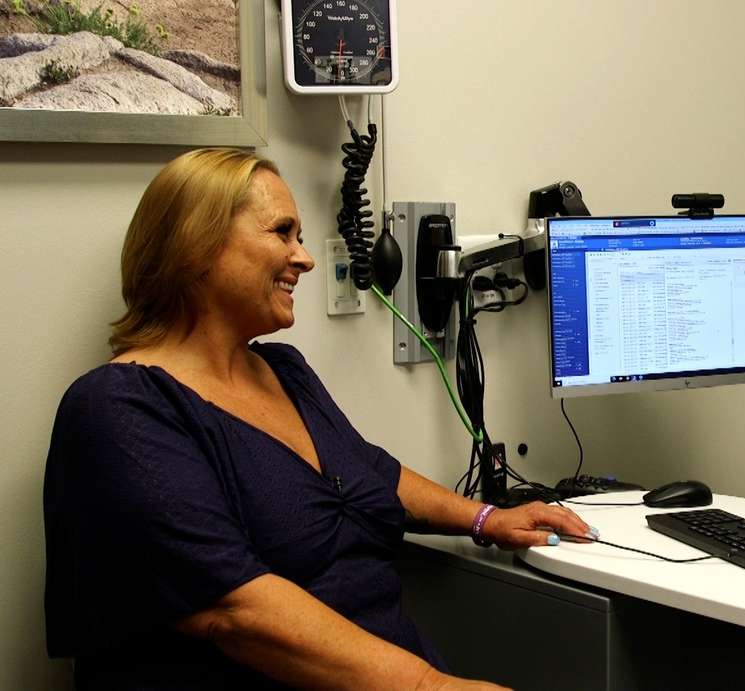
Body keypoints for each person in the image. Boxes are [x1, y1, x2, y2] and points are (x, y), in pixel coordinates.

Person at [43, 148, 596, 690]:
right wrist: (433, 686)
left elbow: (369, 475)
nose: (305, 258)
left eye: (300, 238)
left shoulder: (282, 370)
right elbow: (237, 611)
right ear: (197, 245)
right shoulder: (118, 410)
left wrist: (487, 520)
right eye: (282, 232)